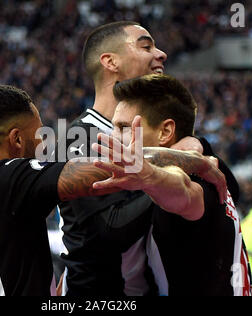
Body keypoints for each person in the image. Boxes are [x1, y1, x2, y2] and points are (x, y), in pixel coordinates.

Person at [0, 85, 226, 296]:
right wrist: (193, 160)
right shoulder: (5, 180)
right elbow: (119, 164)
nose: (46, 146)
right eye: (40, 136)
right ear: (17, 141)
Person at [57, 21, 237, 296]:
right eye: (146, 46)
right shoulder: (78, 138)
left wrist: (197, 148)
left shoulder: (158, 131)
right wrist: (170, 167)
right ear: (110, 61)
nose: (162, 54)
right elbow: (108, 230)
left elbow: (226, 192)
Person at [91, 74, 252, 296]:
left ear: (165, 131)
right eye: (114, 127)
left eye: (124, 127)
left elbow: (184, 192)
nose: (113, 136)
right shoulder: (205, 164)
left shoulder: (194, 179)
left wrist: (149, 177)